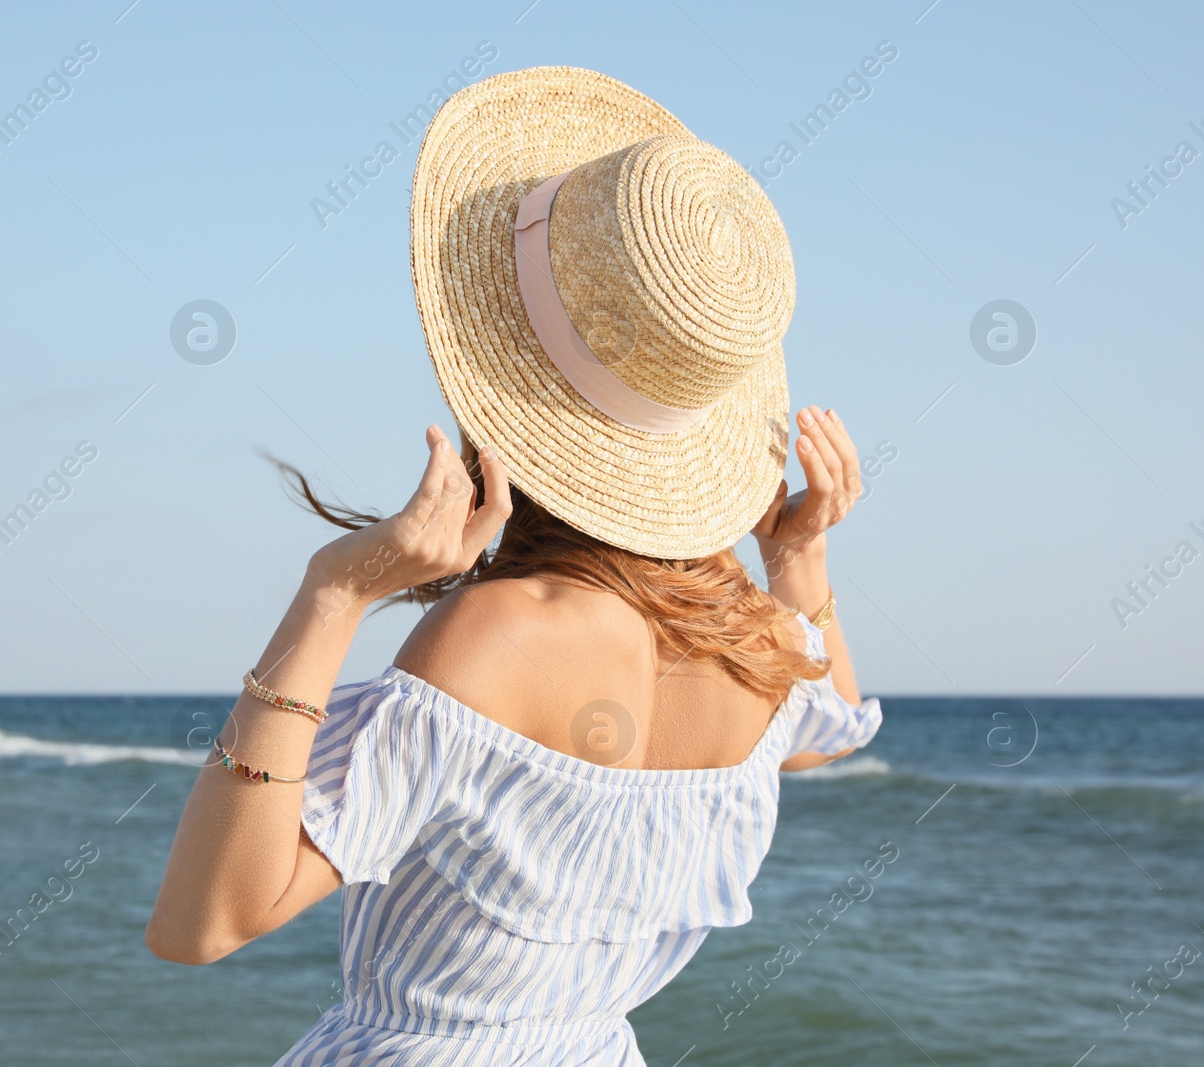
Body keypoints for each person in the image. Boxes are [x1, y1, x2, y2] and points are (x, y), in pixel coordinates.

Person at [148, 66, 883, 1065]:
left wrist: (334, 595)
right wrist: (795, 555)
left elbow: (205, 921)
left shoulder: (502, 632)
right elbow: (820, 726)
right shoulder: (752, 644)